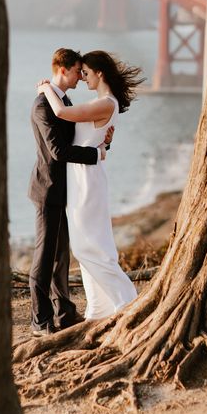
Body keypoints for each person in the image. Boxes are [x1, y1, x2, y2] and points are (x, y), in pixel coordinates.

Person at [37, 50, 144, 319]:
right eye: (80, 73)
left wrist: (45, 87)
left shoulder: (106, 103)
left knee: (90, 247)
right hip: (80, 176)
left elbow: (61, 112)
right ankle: (99, 311)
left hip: (87, 179)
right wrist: (104, 143)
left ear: (100, 73)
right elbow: (89, 137)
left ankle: (127, 304)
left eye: (86, 73)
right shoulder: (101, 103)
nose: (83, 78)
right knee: (89, 245)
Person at [28, 48, 113, 336]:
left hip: (67, 189)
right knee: (44, 255)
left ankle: (64, 313)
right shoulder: (43, 104)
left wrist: (103, 142)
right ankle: (40, 321)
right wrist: (96, 155)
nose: (80, 76)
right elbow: (59, 150)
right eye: (78, 71)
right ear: (63, 70)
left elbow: (82, 136)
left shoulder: (63, 100)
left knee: (61, 255)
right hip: (48, 190)